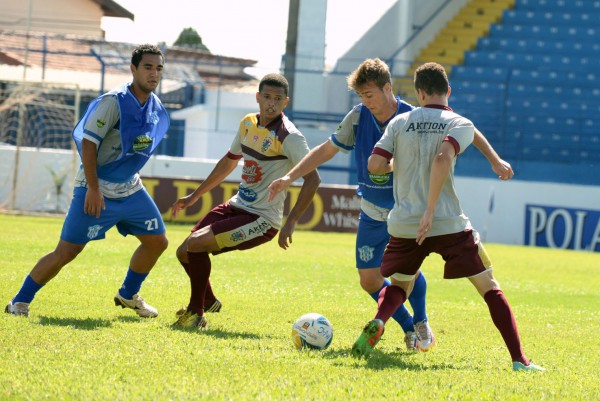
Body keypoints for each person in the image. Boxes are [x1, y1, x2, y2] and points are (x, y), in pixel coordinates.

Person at [268, 58, 514, 351]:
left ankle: (418, 325)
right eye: (361, 96)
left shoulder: (413, 116)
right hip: (372, 210)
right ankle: (410, 325)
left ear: (388, 89)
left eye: (369, 95)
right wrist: (290, 176)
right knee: (370, 280)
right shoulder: (358, 117)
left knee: (404, 274)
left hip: (404, 211)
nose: (365, 101)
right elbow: (327, 149)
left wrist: (493, 159)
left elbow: (463, 131)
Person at [351, 62, 544, 372]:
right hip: (447, 221)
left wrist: (395, 166)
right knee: (489, 285)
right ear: (448, 91)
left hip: (403, 222)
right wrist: (431, 208)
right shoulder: (459, 122)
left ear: (419, 92)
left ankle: (378, 320)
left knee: (400, 283)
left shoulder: (399, 122)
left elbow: (374, 164)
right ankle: (520, 360)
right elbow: (443, 157)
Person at [5, 44, 170, 318]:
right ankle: (18, 302)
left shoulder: (155, 106)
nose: (154, 73)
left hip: (130, 187)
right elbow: (90, 144)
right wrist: (93, 189)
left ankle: (128, 295)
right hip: (96, 188)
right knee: (67, 251)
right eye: (148, 67)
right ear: (133, 69)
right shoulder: (113, 102)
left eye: (159, 68)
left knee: (157, 241)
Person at [170, 73, 320, 330]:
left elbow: (313, 179)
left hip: (262, 219)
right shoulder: (247, 124)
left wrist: (291, 222)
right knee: (183, 251)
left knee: (195, 245)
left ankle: (196, 313)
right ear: (257, 98)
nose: (271, 103)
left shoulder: (289, 137)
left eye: (277, 99)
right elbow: (229, 161)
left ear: (286, 102)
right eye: (266, 97)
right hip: (238, 205)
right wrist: (195, 196)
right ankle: (209, 300)